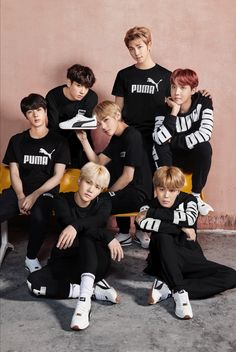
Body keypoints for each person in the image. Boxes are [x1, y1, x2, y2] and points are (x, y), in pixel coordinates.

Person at [27, 161, 123, 331]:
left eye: (97, 187)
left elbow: (96, 222)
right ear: (79, 180)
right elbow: (71, 221)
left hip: (96, 261)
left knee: (86, 238)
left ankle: (84, 304)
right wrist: (107, 236)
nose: (91, 190)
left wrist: (76, 227)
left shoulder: (104, 202)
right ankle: (93, 290)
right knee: (33, 283)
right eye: (88, 182)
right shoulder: (62, 199)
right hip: (67, 258)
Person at [136, 166, 236, 320]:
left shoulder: (189, 200)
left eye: (172, 190)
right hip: (162, 260)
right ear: (155, 187)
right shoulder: (147, 204)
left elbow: (190, 219)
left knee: (231, 276)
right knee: (163, 235)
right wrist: (181, 226)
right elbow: (143, 224)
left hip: (189, 257)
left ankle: (169, 289)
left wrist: (154, 214)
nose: (166, 196)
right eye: (161, 189)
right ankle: (180, 292)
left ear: (179, 190)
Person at [0, 93, 70, 272]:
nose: (36, 115)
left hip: (45, 191)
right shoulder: (17, 140)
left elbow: (57, 176)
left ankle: (30, 258)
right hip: (21, 190)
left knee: (40, 216)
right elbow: (14, 173)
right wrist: (21, 195)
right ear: (26, 116)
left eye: (39, 110)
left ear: (46, 112)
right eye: (30, 112)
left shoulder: (59, 141)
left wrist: (34, 195)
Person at [76, 101, 152, 249]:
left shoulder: (132, 136)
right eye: (99, 123)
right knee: (96, 198)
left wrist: (107, 193)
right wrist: (84, 141)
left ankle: (91, 242)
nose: (103, 127)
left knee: (99, 202)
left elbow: (128, 176)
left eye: (106, 120)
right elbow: (98, 162)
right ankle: (116, 235)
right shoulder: (117, 138)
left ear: (117, 115)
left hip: (139, 194)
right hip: (127, 191)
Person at [152, 68, 214, 215]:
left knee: (204, 147)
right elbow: (159, 139)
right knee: (159, 146)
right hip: (170, 160)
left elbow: (205, 133)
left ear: (193, 90)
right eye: (174, 87)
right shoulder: (163, 108)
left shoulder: (203, 102)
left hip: (192, 158)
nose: (177, 92)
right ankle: (171, 195)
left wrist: (172, 141)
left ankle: (195, 196)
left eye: (183, 88)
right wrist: (174, 111)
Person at [112, 26, 172, 172]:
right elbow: (117, 111)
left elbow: (177, 103)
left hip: (155, 134)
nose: (136, 53)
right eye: (131, 49)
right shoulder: (124, 75)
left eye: (139, 47)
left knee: (157, 173)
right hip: (131, 132)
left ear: (149, 45)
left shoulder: (166, 76)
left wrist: (201, 96)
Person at [46, 64, 98, 168]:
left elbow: (85, 127)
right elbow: (53, 128)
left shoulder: (91, 97)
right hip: (58, 140)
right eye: (79, 85)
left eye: (86, 87)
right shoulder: (53, 96)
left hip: (81, 140)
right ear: (69, 82)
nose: (83, 91)